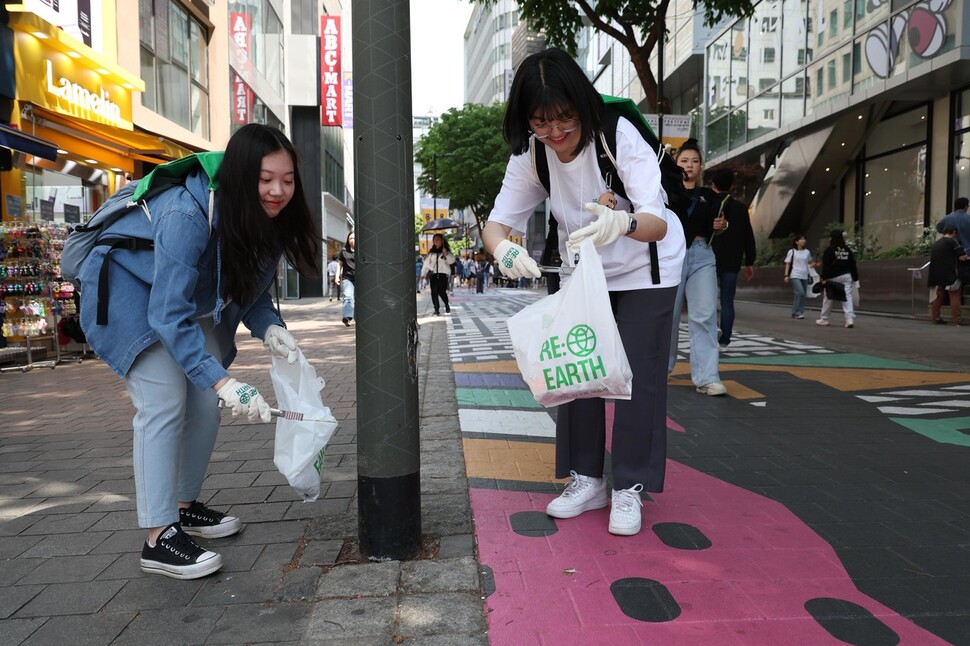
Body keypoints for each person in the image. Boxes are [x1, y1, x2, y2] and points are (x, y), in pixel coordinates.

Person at [76, 123, 320, 580]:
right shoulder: (187, 214)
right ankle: (157, 536)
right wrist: (226, 380)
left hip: (181, 301)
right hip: (127, 292)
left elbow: (252, 293)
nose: (277, 190)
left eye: (287, 180)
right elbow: (167, 316)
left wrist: (271, 330)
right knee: (164, 401)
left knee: (205, 403)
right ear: (241, 175)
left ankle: (183, 507)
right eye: (265, 178)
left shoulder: (264, 219)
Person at [482, 48, 685, 537]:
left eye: (565, 120)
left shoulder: (617, 132)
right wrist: (504, 252)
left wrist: (623, 221)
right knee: (577, 368)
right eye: (540, 123)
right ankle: (587, 479)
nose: (555, 134)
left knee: (637, 376)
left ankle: (630, 487)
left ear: (583, 105)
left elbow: (657, 222)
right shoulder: (532, 154)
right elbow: (496, 225)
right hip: (583, 271)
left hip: (645, 267)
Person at [667, 139, 727, 396]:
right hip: (671, 256)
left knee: (704, 316)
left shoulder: (710, 196)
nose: (689, 165)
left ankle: (707, 378)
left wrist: (723, 226)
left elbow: (721, 223)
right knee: (666, 317)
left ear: (701, 166)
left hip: (703, 256)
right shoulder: (665, 191)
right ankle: (660, 369)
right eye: (684, 160)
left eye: (694, 161)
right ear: (676, 164)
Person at [709, 168, 756, 349]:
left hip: (710, 260)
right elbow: (748, 236)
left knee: (708, 300)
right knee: (727, 301)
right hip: (732, 262)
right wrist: (750, 261)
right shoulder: (741, 209)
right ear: (733, 186)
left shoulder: (710, 205)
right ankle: (725, 340)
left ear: (713, 184)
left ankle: (712, 332)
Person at [816, 230, 859, 328]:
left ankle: (824, 319)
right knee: (847, 297)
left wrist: (823, 277)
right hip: (847, 276)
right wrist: (855, 278)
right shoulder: (848, 250)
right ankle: (849, 319)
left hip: (833, 277)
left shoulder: (830, 250)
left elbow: (826, 265)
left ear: (832, 238)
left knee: (828, 297)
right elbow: (853, 264)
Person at [928, 224, 966, 325]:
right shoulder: (953, 242)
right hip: (950, 274)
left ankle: (935, 317)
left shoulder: (937, 243)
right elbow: (962, 257)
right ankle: (957, 319)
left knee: (938, 297)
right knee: (954, 296)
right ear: (954, 232)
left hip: (936, 275)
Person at [936, 197, 970, 287]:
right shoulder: (968, 219)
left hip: (951, 254)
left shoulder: (947, 218)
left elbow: (939, 228)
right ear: (966, 206)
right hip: (967, 253)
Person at [420, 233, 456, 315]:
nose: (436, 241)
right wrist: (423, 273)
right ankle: (436, 309)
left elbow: (451, 261)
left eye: (438, 239)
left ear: (442, 241)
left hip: (443, 274)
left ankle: (446, 304)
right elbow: (426, 264)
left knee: (441, 291)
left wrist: (446, 253)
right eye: (434, 239)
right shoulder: (431, 253)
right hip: (433, 274)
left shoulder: (446, 251)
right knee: (434, 292)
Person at [783, 234, 814, 319]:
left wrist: (812, 264)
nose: (803, 241)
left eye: (804, 239)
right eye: (801, 239)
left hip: (805, 275)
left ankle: (798, 312)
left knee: (803, 295)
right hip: (795, 275)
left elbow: (810, 262)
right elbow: (788, 264)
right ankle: (797, 312)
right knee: (800, 292)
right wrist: (786, 275)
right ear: (796, 242)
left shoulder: (807, 252)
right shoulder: (792, 251)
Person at [335, 232, 355, 326]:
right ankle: (347, 317)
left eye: (354, 238)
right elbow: (339, 264)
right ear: (348, 240)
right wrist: (337, 276)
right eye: (350, 238)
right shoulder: (343, 251)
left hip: (361, 279)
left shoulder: (362, 250)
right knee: (348, 297)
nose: (352, 240)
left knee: (358, 299)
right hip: (348, 278)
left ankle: (357, 316)